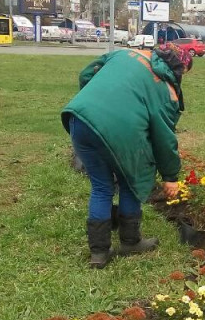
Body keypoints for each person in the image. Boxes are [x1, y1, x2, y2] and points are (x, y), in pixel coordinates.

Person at [62, 44, 193, 268]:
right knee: (131, 181)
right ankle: (130, 242)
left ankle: (99, 253)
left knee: (102, 187)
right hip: (122, 131)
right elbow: (163, 138)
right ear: (179, 69)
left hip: (80, 119)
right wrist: (170, 176)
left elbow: (86, 74)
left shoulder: (123, 54)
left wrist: (98, 102)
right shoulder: (166, 90)